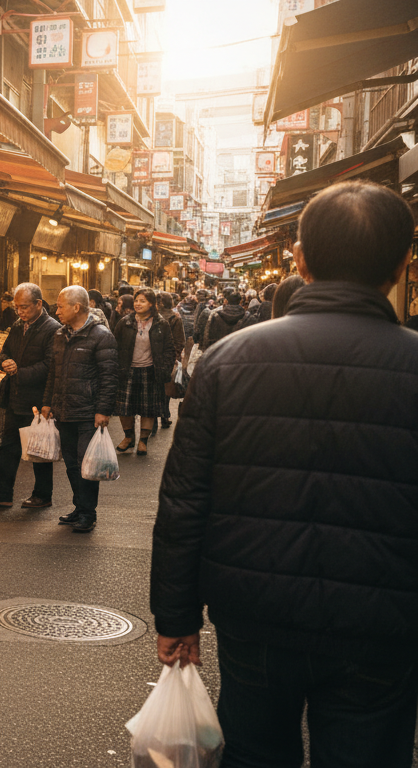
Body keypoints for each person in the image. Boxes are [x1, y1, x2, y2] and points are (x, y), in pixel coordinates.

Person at [150, 181, 418, 767]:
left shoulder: (228, 362)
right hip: (384, 624)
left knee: (254, 750)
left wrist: (176, 618)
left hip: (255, 613)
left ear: (299, 259)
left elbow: (184, 502)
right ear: (404, 265)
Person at [0, 283, 62, 511]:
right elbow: (5, 352)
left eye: (24, 307)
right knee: (8, 446)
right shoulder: (17, 326)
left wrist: (20, 372)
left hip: (37, 398)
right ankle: (2, 493)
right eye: (17, 308)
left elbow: (50, 365)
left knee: (38, 447)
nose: (20, 312)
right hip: (15, 395)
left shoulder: (52, 329)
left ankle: (43, 495)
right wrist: (4, 362)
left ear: (38, 304)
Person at [40, 285, 118, 533]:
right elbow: (53, 372)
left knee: (87, 464)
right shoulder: (60, 334)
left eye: (61, 305)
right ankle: (79, 507)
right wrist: (48, 402)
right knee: (72, 464)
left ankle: (88, 513)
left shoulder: (102, 336)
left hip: (88, 412)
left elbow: (110, 377)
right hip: (64, 410)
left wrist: (103, 410)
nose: (56, 310)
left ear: (76, 307)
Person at [112, 288, 175, 455]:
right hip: (127, 370)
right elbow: (114, 345)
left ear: (152, 304)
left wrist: (165, 368)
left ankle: (143, 441)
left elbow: (170, 348)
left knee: (149, 409)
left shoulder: (161, 324)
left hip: (151, 371)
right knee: (125, 408)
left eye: (142, 301)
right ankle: (128, 437)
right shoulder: (125, 322)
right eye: (136, 300)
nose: (138, 304)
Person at [155, 292, 185, 429]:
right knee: (166, 387)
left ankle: (154, 416)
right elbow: (180, 341)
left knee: (154, 388)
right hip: (169, 357)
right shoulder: (175, 318)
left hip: (153, 356)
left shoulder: (152, 317)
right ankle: (164, 415)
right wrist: (175, 356)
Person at [176, 292, 201, 366]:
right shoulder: (197, 309)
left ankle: (182, 365)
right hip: (192, 331)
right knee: (189, 351)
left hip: (184, 330)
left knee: (183, 351)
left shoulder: (179, 310)